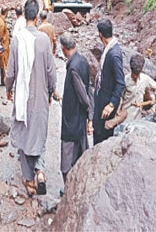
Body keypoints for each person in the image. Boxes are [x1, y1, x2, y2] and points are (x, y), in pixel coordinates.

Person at [6, 0, 56, 196]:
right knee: (39, 132)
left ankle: (29, 180)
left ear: (25, 14)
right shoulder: (44, 40)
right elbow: (51, 71)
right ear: (36, 16)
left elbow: (10, 72)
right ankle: (41, 171)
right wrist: (52, 91)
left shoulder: (17, 40)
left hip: (23, 97)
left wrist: (8, 88)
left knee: (25, 133)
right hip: (41, 95)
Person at [58, 33, 93, 193]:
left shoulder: (73, 68)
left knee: (66, 163)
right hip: (79, 119)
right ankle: (79, 188)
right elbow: (89, 88)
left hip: (72, 120)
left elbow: (83, 96)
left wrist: (89, 111)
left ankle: (69, 191)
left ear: (64, 49)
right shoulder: (83, 61)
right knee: (80, 153)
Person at [105, 54, 156, 130]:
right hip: (126, 114)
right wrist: (118, 110)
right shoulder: (125, 80)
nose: (135, 76)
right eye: (134, 74)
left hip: (138, 116)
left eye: (137, 74)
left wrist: (155, 96)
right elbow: (120, 96)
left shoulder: (145, 79)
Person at [92, 19, 125, 145]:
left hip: (107, 103)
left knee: (103, 134)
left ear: (100, 34)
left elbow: (120, 82)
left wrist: (112, 104)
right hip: (102, 97)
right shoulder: (109, 49)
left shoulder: (114, 55)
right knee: (97, 131)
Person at [0, 8, 10, 85]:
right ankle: (3, 80)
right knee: (3, 64)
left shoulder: (1, 19)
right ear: (6, 13)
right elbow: (0, 36)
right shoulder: (1, 23)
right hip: (4, 46)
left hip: (5, 44)